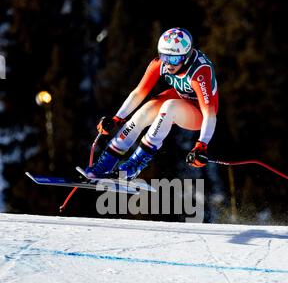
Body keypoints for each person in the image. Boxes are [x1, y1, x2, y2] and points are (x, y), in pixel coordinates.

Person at [85, 27, 218, 180]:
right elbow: (139, 92)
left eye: (173, 59)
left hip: (199, 112)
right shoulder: (160, 63)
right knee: (143, 113)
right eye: (164, 57)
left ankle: (133, 166)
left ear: (186, 57)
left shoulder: (199, 72)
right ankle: (103, 166)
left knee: (170, 107)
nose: (168, 64)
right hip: (181, 96)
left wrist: (202, 144)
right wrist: (117, 117)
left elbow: (210, 114)